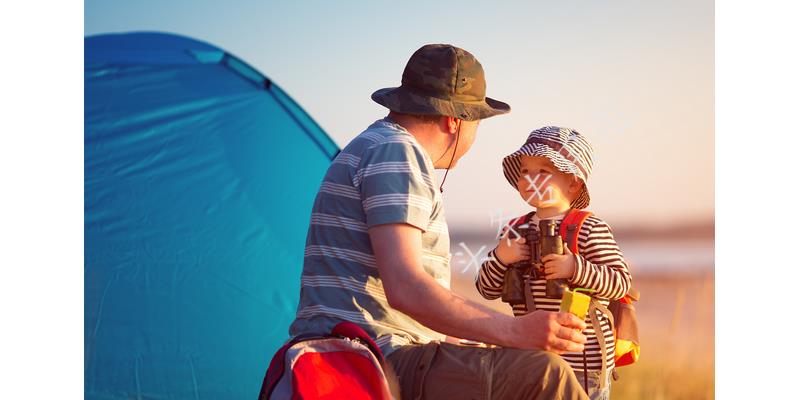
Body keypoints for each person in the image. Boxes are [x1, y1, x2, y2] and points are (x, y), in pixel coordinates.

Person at [288, 44, 589, 399]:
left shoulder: (374, 145)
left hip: (364, 348)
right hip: (373, 356)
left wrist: (469, 339)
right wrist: (516, 331)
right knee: (545, 375)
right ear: (455, 121)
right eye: (478, 121)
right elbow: (406, 288)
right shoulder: (397, 152)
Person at [475, 126, 633, 399]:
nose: (530, 179)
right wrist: (501, 258)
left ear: (573, 183)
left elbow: (620, 283)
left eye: (543, 172)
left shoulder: (588, 227)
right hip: (530, 359)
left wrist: (575, 268)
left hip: (585, 363)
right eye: (524, 171)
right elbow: (486, 289)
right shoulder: (514, 230)